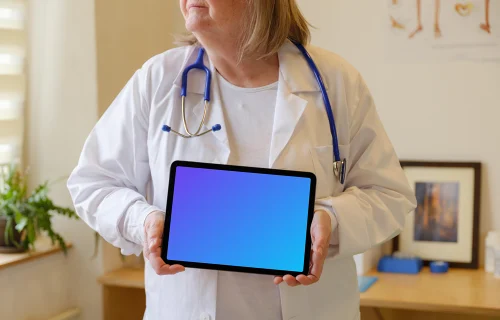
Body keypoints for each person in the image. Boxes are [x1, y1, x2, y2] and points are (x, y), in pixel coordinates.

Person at [67, 1, 417, 319]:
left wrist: (332, 217)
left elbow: (390, 195)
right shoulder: (158, 80)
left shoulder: (335, 82)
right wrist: (143, 221)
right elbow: (93, 182)